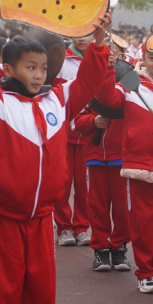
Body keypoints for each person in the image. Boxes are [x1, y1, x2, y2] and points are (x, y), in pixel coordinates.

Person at [0, 6, 111, 304]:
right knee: (4, 293)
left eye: (43, 67)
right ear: (9, 69)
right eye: (30, 67)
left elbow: (89, 82)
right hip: (4, 219)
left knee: (41, 294)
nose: (39, 73)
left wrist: (98, 42)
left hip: (43, 219)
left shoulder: (57, 99)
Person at [96, 33, 153, 294]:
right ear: (143, 59)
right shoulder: (129, 85)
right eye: (152, 57)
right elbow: (106, 99)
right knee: (142, 223)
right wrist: (106, 68)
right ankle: (146, 272)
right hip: (138, 167)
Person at [74, 41, 131, 273]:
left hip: (120, 157)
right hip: (95, 156)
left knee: (121, 207)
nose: (111, 54)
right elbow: (77, 120)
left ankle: (119, 248)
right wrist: (92, 122)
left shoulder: (127, 84)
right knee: (97, 205)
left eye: (115, 50)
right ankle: (100, 249)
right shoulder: (88, 87)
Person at [53, 35, 95, 247]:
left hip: (89, 132)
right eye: (78, 33)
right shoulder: (61, 59)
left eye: (87, 34)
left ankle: (82, 227)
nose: (82, 39)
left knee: (84, 184)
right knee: (63, 181)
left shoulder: (98, 58)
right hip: (64, 133)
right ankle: (64, 228)